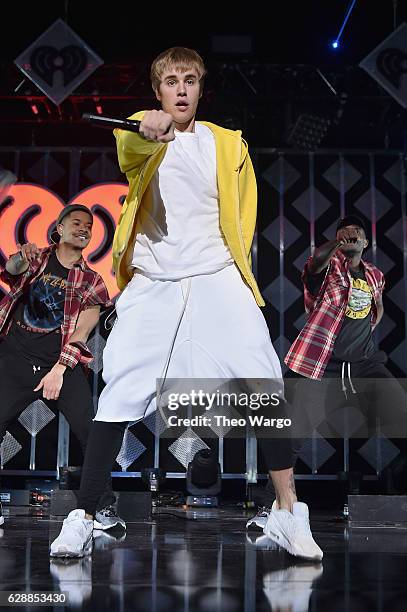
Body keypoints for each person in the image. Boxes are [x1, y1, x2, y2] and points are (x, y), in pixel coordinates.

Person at [50, 47, 322, 560]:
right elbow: (131, 148)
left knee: (263, 383)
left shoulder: (225, 143)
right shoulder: (137, 128)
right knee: (120, 392)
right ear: (157, 92)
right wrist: (145, 130)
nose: (180, 89)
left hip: (217, 276)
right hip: (155, 282)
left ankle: (288, 511)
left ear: (200, 88)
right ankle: (83, 515)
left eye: (190, 80)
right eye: (170, 81)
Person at [0, 204, 124, 531]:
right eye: (76, 222)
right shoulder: (37, 258)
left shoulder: (93, 282)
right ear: (60, 227)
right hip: (14, 358)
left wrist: (58, 369)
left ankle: (102, 507)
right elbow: (12, 270)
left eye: (89, 226)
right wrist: (19, 259)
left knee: (90, 430)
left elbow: (82, 333)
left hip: (61, 365)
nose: (83, 228)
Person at [284, 215, 407, 473]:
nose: (350, 234)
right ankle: (274, 502)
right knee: (291, 438)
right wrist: (335, 244)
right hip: (325, 368)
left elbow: (378, 304)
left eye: (356, 231)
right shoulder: (328, 267)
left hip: (364, 366)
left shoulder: (375, 274)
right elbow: (316, 262)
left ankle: (396, 485)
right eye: (344, 231)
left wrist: (371, 323)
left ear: (365, 241)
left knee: (401, 420)